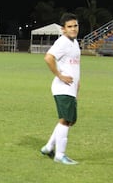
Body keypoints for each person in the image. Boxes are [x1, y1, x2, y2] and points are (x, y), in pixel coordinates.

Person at [40, 12, 81, 165]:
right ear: (63, 29)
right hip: (62, 87)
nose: (73, 29)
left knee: (70, 120)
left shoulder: (75, 43)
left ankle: (49, 147)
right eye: (69, 27)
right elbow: (48, 58)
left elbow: (75, 66)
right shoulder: (63, 42)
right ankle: (60, 155)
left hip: (70, 88)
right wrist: (60, 75)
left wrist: (78, 84)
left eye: (75, 25)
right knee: (66, 120)